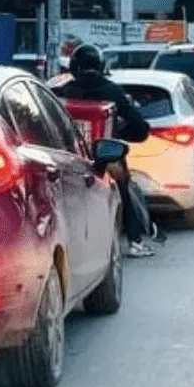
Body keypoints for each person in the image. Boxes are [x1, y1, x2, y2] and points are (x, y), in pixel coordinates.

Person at [52, 44, 162, 258]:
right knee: (124, 186)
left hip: (68, 156)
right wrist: (122, 132)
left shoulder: (62, 92)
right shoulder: (113, 92)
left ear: (74, 67)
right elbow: (140, 129)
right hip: (105, 156)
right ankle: (134, 241)